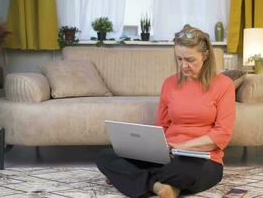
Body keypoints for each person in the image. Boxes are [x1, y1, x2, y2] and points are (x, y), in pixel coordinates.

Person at [96, 25, 236, 198]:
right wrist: (152, 148)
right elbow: (161, 126)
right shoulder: (169, 84)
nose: (183, 65)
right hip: (166, 155)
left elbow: (222, 134)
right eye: (179, 59)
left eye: (190, 60)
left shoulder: (224, 85)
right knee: (105, 156)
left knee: (184, 171)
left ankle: (132, 178)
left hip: (202, 159)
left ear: (205, 55)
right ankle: (159, 186)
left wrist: (180, 146)